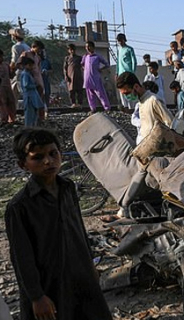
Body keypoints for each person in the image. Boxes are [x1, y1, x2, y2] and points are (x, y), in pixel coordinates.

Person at [6, 128, 113, 320]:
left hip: (80, 275)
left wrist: (90, 265)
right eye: (38, 158)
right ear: (23, 164)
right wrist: (37, 296)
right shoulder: (20, 206)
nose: (48, 161)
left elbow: (79, 229)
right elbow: (21, 257)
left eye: (53, 154)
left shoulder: (68, 188)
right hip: (49, 283)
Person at [116, 71, 173, 141]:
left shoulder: (153, 100)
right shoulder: (141, 103)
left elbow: (170, 123)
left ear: (136, 86)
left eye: (127, 93)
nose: (126, 97)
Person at [81, 41, 111, 114]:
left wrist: (101, 69)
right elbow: (82, 64)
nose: (87, 48)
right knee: (90, 95)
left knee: (101, 93)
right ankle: (93, 108)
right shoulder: (85, 57)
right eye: (86, 47)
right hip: (87, 78)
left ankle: (107, 108)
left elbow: (106, 64)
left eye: (89, 46)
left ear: (93, 47)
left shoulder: (97, 56)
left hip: (96, 78)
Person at [18, 57, 44, 127]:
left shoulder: (29, 74)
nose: (32, 67)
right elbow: (26, 85)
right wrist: (35, 85)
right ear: (26, 65)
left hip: (33, 96)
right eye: (30, 65)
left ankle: (32, 128)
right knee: (29, 115)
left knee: (34, 115)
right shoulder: (25, 74)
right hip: (29, 97)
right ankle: (28, 129)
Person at [116, 33, 138, 110]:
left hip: (128, 72)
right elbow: (118, 62)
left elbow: (134, 61)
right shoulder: (119, 50)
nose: (120, 42)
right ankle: (125, 106)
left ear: (124, 40)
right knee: (121, 89)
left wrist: (132, 72)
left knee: (129, 89)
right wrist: (117, 72)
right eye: (118, 41)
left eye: (121, 40)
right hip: (121, 73)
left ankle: (131, 107)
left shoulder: (129, 49)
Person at [9, 28, 30, 102]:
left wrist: (10, 69)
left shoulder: (16, 47)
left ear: (14, 37)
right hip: (26, 71)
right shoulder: (27, 46)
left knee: (14, 93)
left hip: (18, 72)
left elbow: (14, 60)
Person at [63, 43, 85, 108]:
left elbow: (83, 66)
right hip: (70, 77)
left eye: (73, 49)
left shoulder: (79, 58)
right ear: (68, 50)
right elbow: (65, 68)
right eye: (71, 49)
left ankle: (80, 104)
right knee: (71, 91)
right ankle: (73, 103)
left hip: (78, 76)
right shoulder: (67, 58)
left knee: (79, 91)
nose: (72, 51)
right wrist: (66, 76)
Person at [0, 50, 17, 125]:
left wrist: (13, 70)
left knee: (11, 102)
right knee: (2, 103)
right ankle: (4, 120)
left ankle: (12, 119)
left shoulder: (6, 65)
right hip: (1, 87)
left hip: (7, 86)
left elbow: (11, 76)